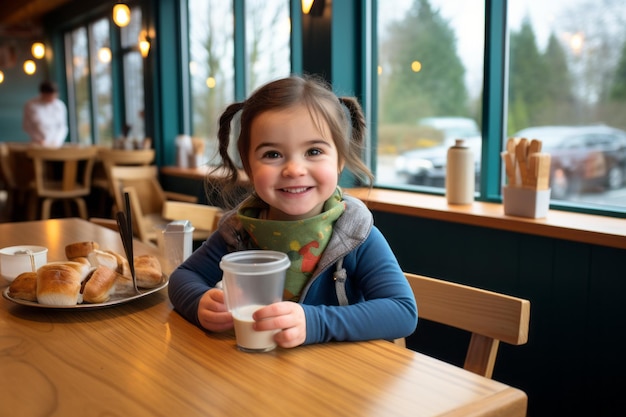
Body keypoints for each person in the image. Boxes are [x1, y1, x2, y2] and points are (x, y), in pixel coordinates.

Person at [168, 75, 417, 348]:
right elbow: (182, 278)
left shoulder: (354, 233)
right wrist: (199, 303)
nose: (294, 170)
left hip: (341, 378)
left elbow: (402, 311)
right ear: (249, 168)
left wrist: (315, 323)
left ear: (339, 161)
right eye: (273, 155)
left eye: (313, 151)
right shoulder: (239, 232)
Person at [22, 81, 68, 148]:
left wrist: (57, 141)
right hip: (38, 144)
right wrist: (38, 139)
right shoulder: (31, 105)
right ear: (43, 94)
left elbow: (63, 127)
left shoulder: (60, 106)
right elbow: (27, 126)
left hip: (56, 145)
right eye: (49, 96)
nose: (52, 99)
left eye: (54, 96)